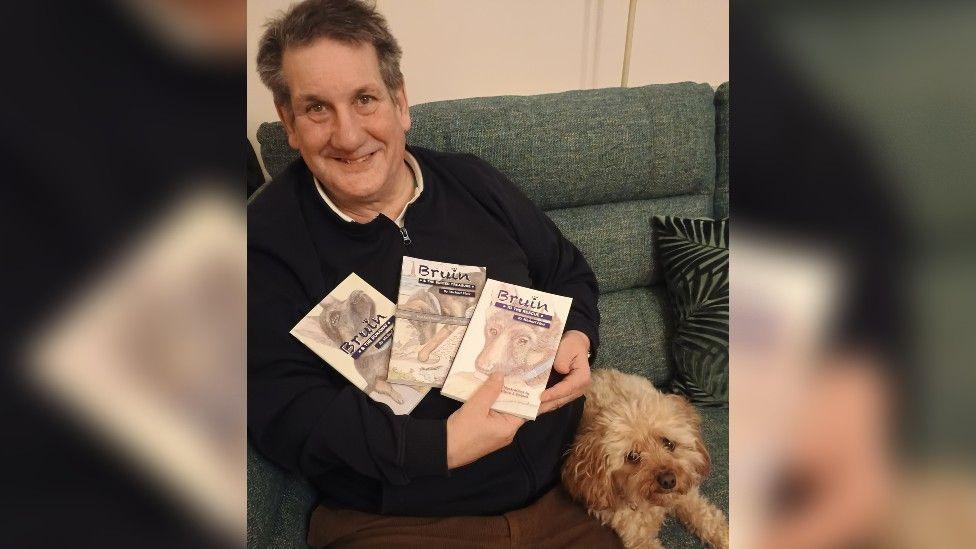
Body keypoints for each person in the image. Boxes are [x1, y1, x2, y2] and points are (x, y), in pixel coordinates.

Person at [248, 0, 617, 546]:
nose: (348, 136)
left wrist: (578, 334)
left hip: (568, 492)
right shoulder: (263, 242)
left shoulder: (473, 182)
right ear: (289, 124)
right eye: (317, 109)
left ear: (400, 102)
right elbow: (282, 410)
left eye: (365, 99)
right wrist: (438, 446)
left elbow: (566, 270)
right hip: (402, 520)